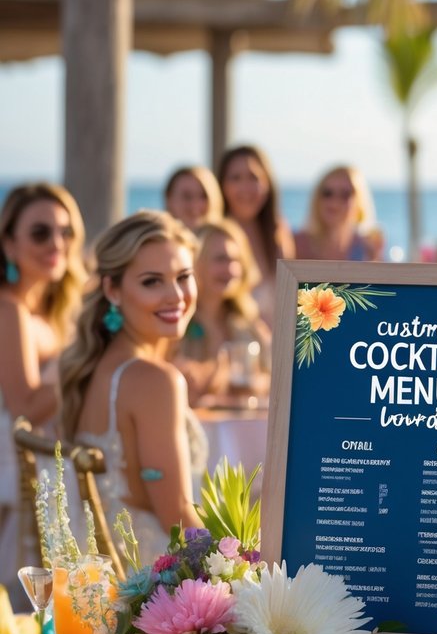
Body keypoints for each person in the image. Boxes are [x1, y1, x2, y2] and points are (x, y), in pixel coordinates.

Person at [59, 210, 208, 562]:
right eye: (151, 281)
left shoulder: (95, 366)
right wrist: (243, 569)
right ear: (112, 289)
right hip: (155, 589)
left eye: (183, 277)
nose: (175, 295)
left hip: (105, 580)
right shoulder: (156, 382)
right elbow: (178, 519)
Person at [0, 183, 86, 589]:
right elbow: (24, 406)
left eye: (65, 232)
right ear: (9, 243)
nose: (56, 242)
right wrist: (85, 363)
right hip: (14, 465)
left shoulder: (49, 310)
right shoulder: (8, 308)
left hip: (42, 461)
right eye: (40, 232)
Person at [175, 218, 271, 404]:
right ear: (194, 262)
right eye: (221, 259)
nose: (231, 269)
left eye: (236, 260)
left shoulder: (249, 324)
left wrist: (256, 385)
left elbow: (277, 380)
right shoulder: (175, 323)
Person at [217, 145, 294, 327]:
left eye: (254, 177)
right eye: (236, 178)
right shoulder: (215, 238)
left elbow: (289, 300)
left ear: (267, 183)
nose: (246, 188)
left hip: (278, 347)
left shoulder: (278, 232)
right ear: (222, 185)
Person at [294, 165, 383, 262]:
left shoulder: (367, 248)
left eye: (345, 194)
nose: (334, 202)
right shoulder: (296, 244)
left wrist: (375, 258)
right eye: (327, 193)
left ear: (359, 202)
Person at [163, 165, 224, 232]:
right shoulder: (155, 240)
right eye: (187, 196)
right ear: (169, 199)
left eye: (203, 196)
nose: (195, 204)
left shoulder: (228, 240)